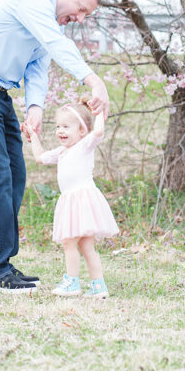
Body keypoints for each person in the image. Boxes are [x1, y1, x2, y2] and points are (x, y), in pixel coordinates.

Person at [0, 0, 110, 294]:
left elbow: (37, 66)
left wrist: (35, 107)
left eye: (84, 16)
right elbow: (55, 44)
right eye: (79, 9)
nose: (77, 19)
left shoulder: (47, 23)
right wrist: (94, 81)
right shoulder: (33, 1)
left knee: (15, 174)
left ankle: (1, 264)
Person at [28, 100, 118, 298]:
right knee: (85, 245)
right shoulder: (61, 152)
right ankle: (98, 286)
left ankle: (72, 282)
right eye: (58, 126)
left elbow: (99, 132)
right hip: (72, 201)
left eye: (66, 127)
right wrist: (33, 136)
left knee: (69, 242)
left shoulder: (84, 145)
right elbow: (40, 157)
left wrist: (99, 111)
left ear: (82, 130)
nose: (60, 130)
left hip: (82, 199)